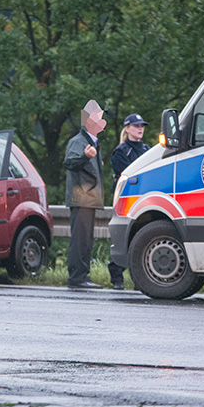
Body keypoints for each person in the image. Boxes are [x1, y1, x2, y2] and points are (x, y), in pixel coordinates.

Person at [63, 100, 107, 289]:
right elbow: (69, 162)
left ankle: (83, 275)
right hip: (81, 197)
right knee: (80, 239)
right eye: (97, 117)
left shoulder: (92, 142)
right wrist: (84, 156)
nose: (101, 121)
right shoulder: (78, 142)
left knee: (87, 239)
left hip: (89, 199)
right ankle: (76, 278)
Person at [108, 113, 150, 289]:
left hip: (146, 199)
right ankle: (116, 276)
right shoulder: (122, 151)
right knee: (125, 237)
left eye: (141, 126)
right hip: (128, 199)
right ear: (127, 128)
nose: (140, 129)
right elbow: (126, 174)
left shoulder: (148, 150)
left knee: (142, 240)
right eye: (135, 126)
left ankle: (140, 278)